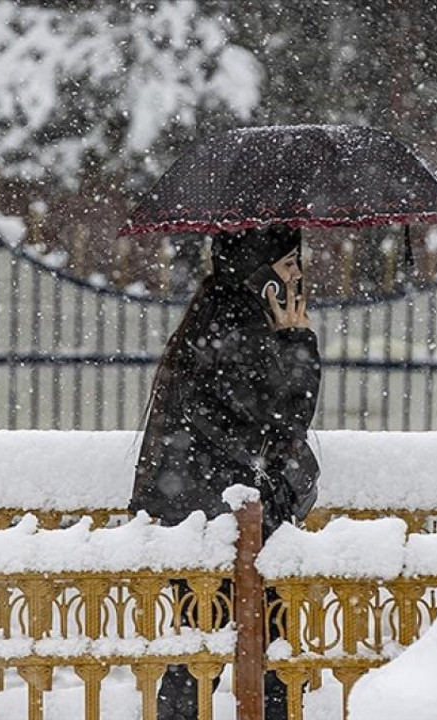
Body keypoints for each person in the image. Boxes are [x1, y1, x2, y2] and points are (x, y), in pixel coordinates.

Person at [130, 224, 321, 720]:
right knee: (260, 656)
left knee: (201, 655)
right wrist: (299, 341)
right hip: (223, 523)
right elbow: (282, 425)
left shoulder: (219, 316)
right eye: (287, 265)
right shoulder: (238, 325)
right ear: (259, 271)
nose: (297, 276)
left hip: (205, 517)